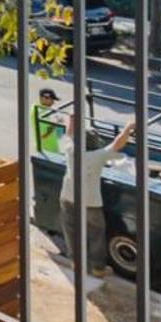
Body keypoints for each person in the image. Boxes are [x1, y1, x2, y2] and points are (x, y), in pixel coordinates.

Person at [58, 115, 134, 276]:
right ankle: (98, 268)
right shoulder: (96, 156)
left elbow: (68, 135)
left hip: (68, 197)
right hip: (90, 202)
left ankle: (76, 263)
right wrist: (128, 128)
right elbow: (117, 144)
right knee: (96, 235)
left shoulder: (70, 151)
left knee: (71, 232)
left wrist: (71, 120)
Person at [33, 88, 63, 155]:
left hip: (52, 148)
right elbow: (43, 135)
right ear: (43, 98)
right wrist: (56, 123)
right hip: (46, 150)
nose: (53, 102)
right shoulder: (39, 112)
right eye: (51, 100)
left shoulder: (44, 109)